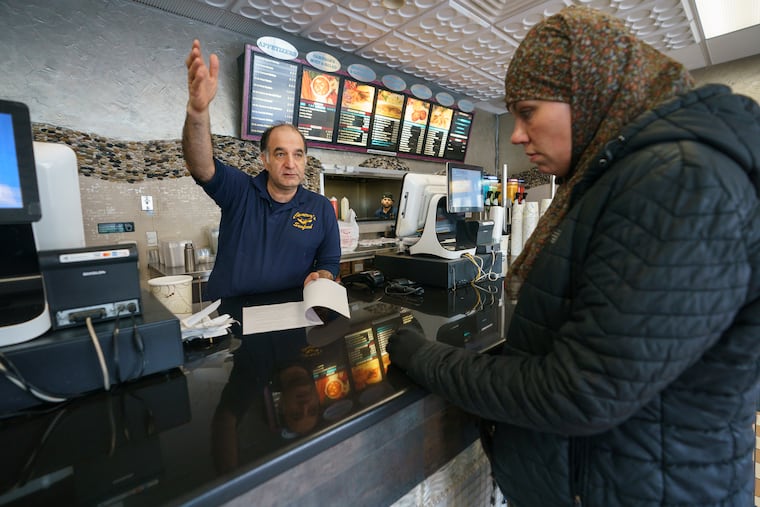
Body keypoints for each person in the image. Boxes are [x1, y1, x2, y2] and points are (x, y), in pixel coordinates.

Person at [386, 6, 760, 506]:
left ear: (589, 95)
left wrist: (421, 355)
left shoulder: (676, 181)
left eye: (528, 111)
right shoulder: (631, 175)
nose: (518, 135)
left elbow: (579, 392)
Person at [182, 39, 340, 299]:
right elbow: (201, 166)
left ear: (304, 160)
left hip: (292, 312)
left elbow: (330, 261)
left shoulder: (320, 207)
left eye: (297, 154)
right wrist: (198, 112)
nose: (290, 163)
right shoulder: (240, 192)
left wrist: (321, 276)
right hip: (232, 312)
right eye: (280, 154)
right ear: (264, 159)